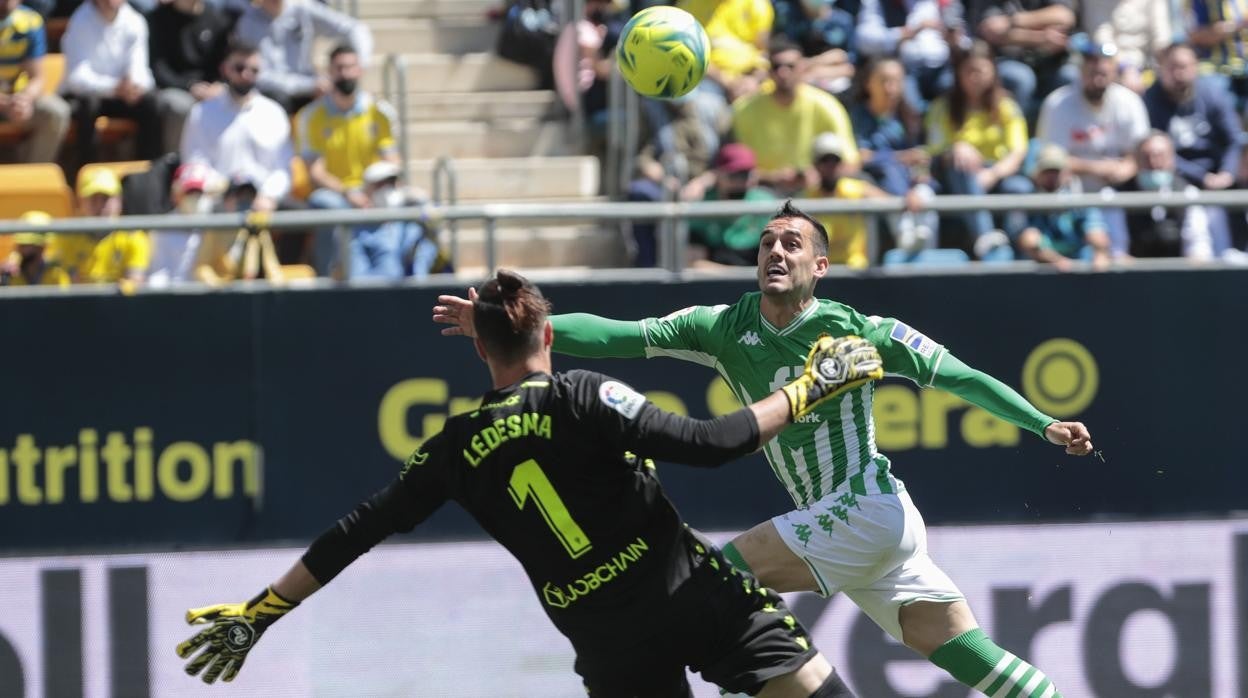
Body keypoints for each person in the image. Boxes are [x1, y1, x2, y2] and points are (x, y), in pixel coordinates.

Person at [434, 201, 1097, 698]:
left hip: (863, 508)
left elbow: (961, 377)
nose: (776, 251)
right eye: (767, 243)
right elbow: (615, 335)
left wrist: (1043, 423)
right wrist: (508, 326)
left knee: (713, 586)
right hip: (865, 524)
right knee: (962, 650)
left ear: (820, 266)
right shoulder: (724, 328)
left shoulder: (863, 331)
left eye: (793, 243)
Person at [179, 268, 863, 698]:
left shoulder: (457, 447)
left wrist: (259, 613)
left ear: (478, 348)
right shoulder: (581, 396)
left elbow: (357, 531)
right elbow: (714, 444)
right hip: (690, 596)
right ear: (549, 333)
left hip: (609, 643)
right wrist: (810, 386)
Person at [1036, 36, 1150, 255]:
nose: (1098, 75)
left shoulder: (1128, 101)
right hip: (1071, 191)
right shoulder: (1058, 103)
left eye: (1104, 70)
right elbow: (1050, 159)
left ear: (1114, 70)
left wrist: (1126, 168)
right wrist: (1100, 168)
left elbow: (1140, 152)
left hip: (1118, 188)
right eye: (1091, 68)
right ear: (1080, 70)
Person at [297, 43, 399, 275]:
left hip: (371, 194)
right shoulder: (312, 116)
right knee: (328, 205)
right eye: (339, 67)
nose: (345, 73)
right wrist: (349, 193)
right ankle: (328, 277)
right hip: (336, 195)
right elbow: (316, 173)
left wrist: (370, 191)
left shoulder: (379, 112)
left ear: (360, 69)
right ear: (330, 72)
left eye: (350, 67)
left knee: (412, 205)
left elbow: (392, 162)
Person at [925, 40, 1032, 259]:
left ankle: (1018, 253)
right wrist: (958, 148)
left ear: (992, 72)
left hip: (997, 175)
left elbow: (1018, 152)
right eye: (969, 71)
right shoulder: (942, 107)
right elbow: (934, 150)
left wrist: (992, 174)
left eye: (981, 71)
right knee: (961, 160)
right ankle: (986, 240)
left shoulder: (1006, 106)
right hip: (956, 178)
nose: (975, 77)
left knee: (1019, 187)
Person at [733, 36, 860, 196]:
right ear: (768, 70)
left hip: (816, 195)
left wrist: (819, 175)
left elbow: (852, 164)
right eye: (777, 66)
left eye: (790, 66)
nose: (783, 72)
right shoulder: (744, 109)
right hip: (763, 193)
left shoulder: (826, 105)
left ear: (802, 68)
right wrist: (772, 178)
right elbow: (732, 169)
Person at [180, 40, 292, 216]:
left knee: (302, 215)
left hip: (264, 200)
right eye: (239, 68)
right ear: (225, 69)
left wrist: (268, 196)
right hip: (217, 200)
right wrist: (224, 191)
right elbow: (195, 161)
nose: (246, 75)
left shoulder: (274, 113)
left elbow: (282, 169)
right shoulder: (202, 112)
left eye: (254, 70)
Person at [847, 57, 938, 253]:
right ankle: (904, 235)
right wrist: (901, 158)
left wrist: (919, 179)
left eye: (896, 81)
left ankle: (926, 247)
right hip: (877, 183)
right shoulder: (858, 116)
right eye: (884, 81)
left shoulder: (910, 116)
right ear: (868, 83)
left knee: (926, 193)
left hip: (910, 184)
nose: (890, 88)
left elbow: (919, 157)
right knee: (889, 169)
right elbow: (861, 157)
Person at [61, 0, 163, 165]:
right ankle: (87, 172)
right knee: (88, 106)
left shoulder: (135, 20)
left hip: (121, 96)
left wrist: (135, 86)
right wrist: (114, 87)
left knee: (152, 103)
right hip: (85, 97)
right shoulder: (79, 21)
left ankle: (146, 173)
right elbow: (77, 78)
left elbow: (140, 68)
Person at [231, 0, 373, 114]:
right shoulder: (247, 22)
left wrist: (361, 64)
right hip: (272, 93)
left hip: (311, 90)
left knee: (340, 92)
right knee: (277, 100)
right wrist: (307, 85)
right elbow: (260, 75)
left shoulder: (303, 8)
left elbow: (354, 28)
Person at [147, 0, 235, 156]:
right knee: (179, 107)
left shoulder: (217, 18)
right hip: (175, 88)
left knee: (234, 101)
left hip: (211, 90)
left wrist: (220, 85)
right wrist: (189, 86)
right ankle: (174, 164)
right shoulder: (157, 18)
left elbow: (226, 62)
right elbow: (159, 70)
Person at [968, 0, 1078, 122]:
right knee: (1021, 78)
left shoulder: (1014, 19)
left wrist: (1013, 21)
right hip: (1006, 62)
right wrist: (1042, 37)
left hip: (1051, 64)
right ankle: (1016, 134)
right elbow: (991, 30)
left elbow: (1065, 16)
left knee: (1071, 75)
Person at [1015, 143, 1113, 270]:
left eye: (1056, 171)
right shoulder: (1026, 202)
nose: (1052, 176)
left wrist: (1100, 254)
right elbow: (1028, 240)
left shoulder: (1079, 201)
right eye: (1047, 171)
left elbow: (1097, 233)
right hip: (1041, 274)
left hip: (1079, 271)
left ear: (1067, 173)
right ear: (1037, 174)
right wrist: (1057, 261)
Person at [345, 161, 448, 280]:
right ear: (368, 188)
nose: (387, 189)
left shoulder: (408, 221)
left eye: (391, 183)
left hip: (401, 289)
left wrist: (421, 201)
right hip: (369, 291)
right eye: (380, 184)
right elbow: (356, 276)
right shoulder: (356, 224)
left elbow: (434, 220)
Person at [681, 142, 779, 267]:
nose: (740, 182)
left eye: (745, 174)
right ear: (718, 175)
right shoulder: (701, 209)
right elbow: (694, 263)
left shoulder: (768, 206)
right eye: (734, 174)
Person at [1122, 130, 1216, 260]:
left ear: (1172, 159)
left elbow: (1198, 243)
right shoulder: (1118, 194)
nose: (1153, 163)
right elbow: (1118, 251)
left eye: (1160, 156)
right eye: (1146, 156)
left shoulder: (1188, 193)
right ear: (1136, 160)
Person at [47, 168, 150, 284]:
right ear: (80, 202)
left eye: (106, 198)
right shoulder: (65, 237)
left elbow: (135, 284)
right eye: (93, 198)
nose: (100, 205)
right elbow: (68, 288)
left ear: (119, 201)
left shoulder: (134, 237)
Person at [0, 0, 70, 163]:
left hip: (16, 102)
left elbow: (37, 77)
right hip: (5, 103)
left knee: (57, 113)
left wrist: (24, 99)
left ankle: (32, 175)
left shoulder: (31, 21)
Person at [0, 211, 70, 287]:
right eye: (21, 244)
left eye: (28, 244)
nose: (21, 249)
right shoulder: (10, 275)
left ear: (42, 246)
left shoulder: (56, 275)